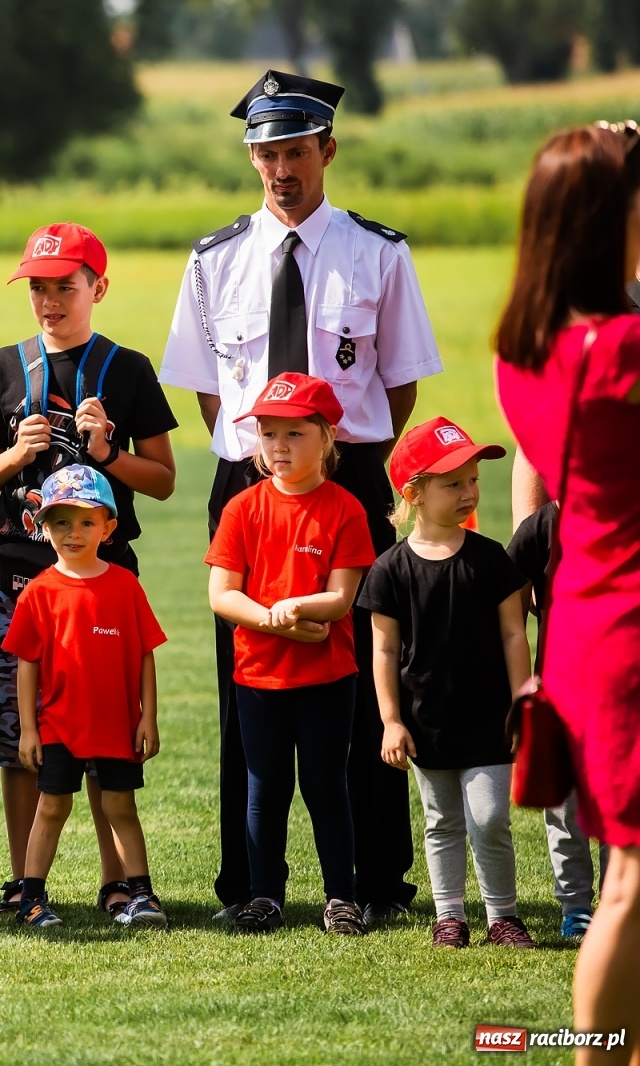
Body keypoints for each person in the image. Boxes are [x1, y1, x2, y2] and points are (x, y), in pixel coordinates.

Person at [158, 70, 443, 925]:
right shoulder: (214, 259)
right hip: (247, 482)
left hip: (348, 479)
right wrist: (267, 460)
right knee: (247, 682)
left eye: (294, 151)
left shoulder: (378, 252)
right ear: (251, 157)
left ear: (328, 149)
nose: (280, 168)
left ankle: (372, 879)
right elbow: (209, 389)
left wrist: (337, 463)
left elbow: (397, 390)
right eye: (265, 153)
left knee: (362, 676)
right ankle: (249, 884)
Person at [0, 221, 178, 918]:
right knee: (17, 731)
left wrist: (109, 455)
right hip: (21, 576)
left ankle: (120, 882)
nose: (50, 301)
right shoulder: (3, 365)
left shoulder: (129, 368)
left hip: (103, 579)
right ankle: (30, 886)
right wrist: (13, 457)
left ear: (98, 288)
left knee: (103, 726)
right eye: (39, 288)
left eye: (66, 286)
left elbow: (165, 479)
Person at [495, 121, 640, 1062]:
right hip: (631, 622)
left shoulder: (530, 349)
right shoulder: (621, 353)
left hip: (587, 616)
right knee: (628, 881)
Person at [206, 373, 376, 935]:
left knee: (327, 783)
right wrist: (276, 621)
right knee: (265, 784)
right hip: (257, 675)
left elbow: (341, 597)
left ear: (327, 437)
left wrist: (296, 608)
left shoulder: (345, 509)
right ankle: (264, 896)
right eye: (267, 432)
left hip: (328, 676)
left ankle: (341, 898)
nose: (278, 446)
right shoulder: (242, 508)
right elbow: (222, 595)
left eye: (294, 434)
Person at [359, 418, 535, 949]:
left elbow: (513, 636)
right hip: (425, 722)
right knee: (441, 821)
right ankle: (449, 917)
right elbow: (384, 650)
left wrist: (524, 704)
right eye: (452, 483)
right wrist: (391, 720)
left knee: (489, 818)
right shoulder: (389, 570)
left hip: (491, 719)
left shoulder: (491, 560)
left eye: (473, 480)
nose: (469, 492)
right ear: (413, 493)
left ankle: (502, 916)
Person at [0, 466, 168, 930]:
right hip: (59, 725)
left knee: (120, 807)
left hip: (116, 722)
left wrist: (147, 717)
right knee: (52, 806)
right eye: (61, 522)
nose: (74, 533)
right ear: (41, 526)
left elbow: (145, 656)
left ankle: (142, 895)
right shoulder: (39, 593)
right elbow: (26, 664)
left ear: (108, 527)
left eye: (86, 522)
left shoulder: (125, 586)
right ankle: (32, 898)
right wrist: (30, 729)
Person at [506, 498, 607, 939]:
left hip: (622, 695)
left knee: (617, 805)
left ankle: (621, 902)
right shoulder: (546, 522)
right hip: (562, 695)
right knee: (565, 811)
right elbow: (501, 581)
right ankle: (576, 907)